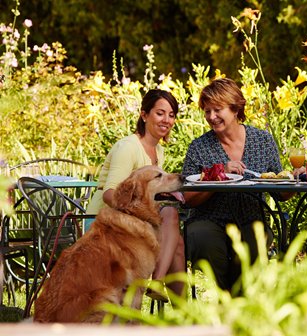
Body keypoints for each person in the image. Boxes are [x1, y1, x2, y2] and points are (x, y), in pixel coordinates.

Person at [182, 78, 295, 292]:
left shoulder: (262, 141)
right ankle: (234, 299)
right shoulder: (199, 147)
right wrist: (218, 175)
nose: (211, 117)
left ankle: (233, 303)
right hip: (209, 220)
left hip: (251, 219)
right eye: (207, 111)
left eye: (217, 109)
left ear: (235, 109)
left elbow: (280, 191)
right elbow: (187, 199)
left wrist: (294, 180)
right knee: (202, 239)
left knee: (255, 241)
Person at [86, 89, 186, 297]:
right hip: (104, 224)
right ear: (144, 115)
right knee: (170, 217)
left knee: (175, 238)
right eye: (160, 113)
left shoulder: (159, 151)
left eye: (171, 115)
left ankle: (179, 317)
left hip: (133, 224)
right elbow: (109, 194)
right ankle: (162, 292)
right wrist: (144, 214)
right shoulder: (128, 148)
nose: (166, 120)